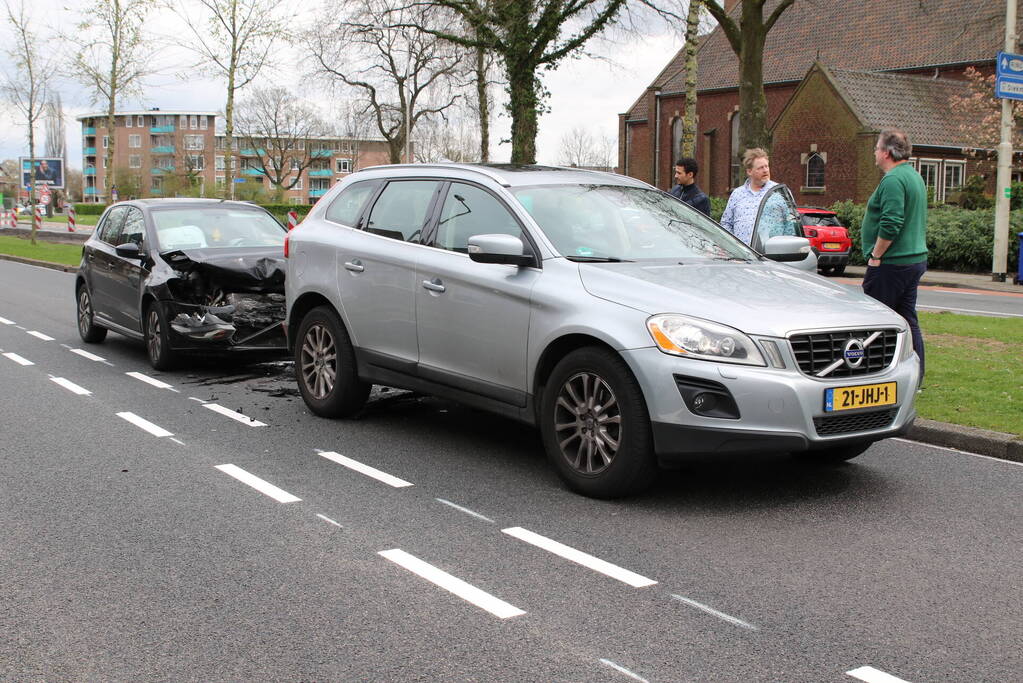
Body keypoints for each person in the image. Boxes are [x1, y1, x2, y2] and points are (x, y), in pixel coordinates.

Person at [861, 128, 928, 379]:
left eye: (877, 149)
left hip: (892, 263)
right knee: (907, 321)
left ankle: (873, 377)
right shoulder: (914, 176)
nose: (874, 153)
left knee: (874, 323)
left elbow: (891, 222)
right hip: (914, 260)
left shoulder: (893, 180)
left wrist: (876, 256)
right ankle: (915, 376)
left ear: (887, 152)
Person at [719, 148, 777, 244]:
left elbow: (790, 225)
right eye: (760, 168)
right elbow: (726, 223)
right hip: (742, 255)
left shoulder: (777, 192)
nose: (765, 170)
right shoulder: (737, 194)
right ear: (749, 171)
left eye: (766, 166)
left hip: (771, 255)